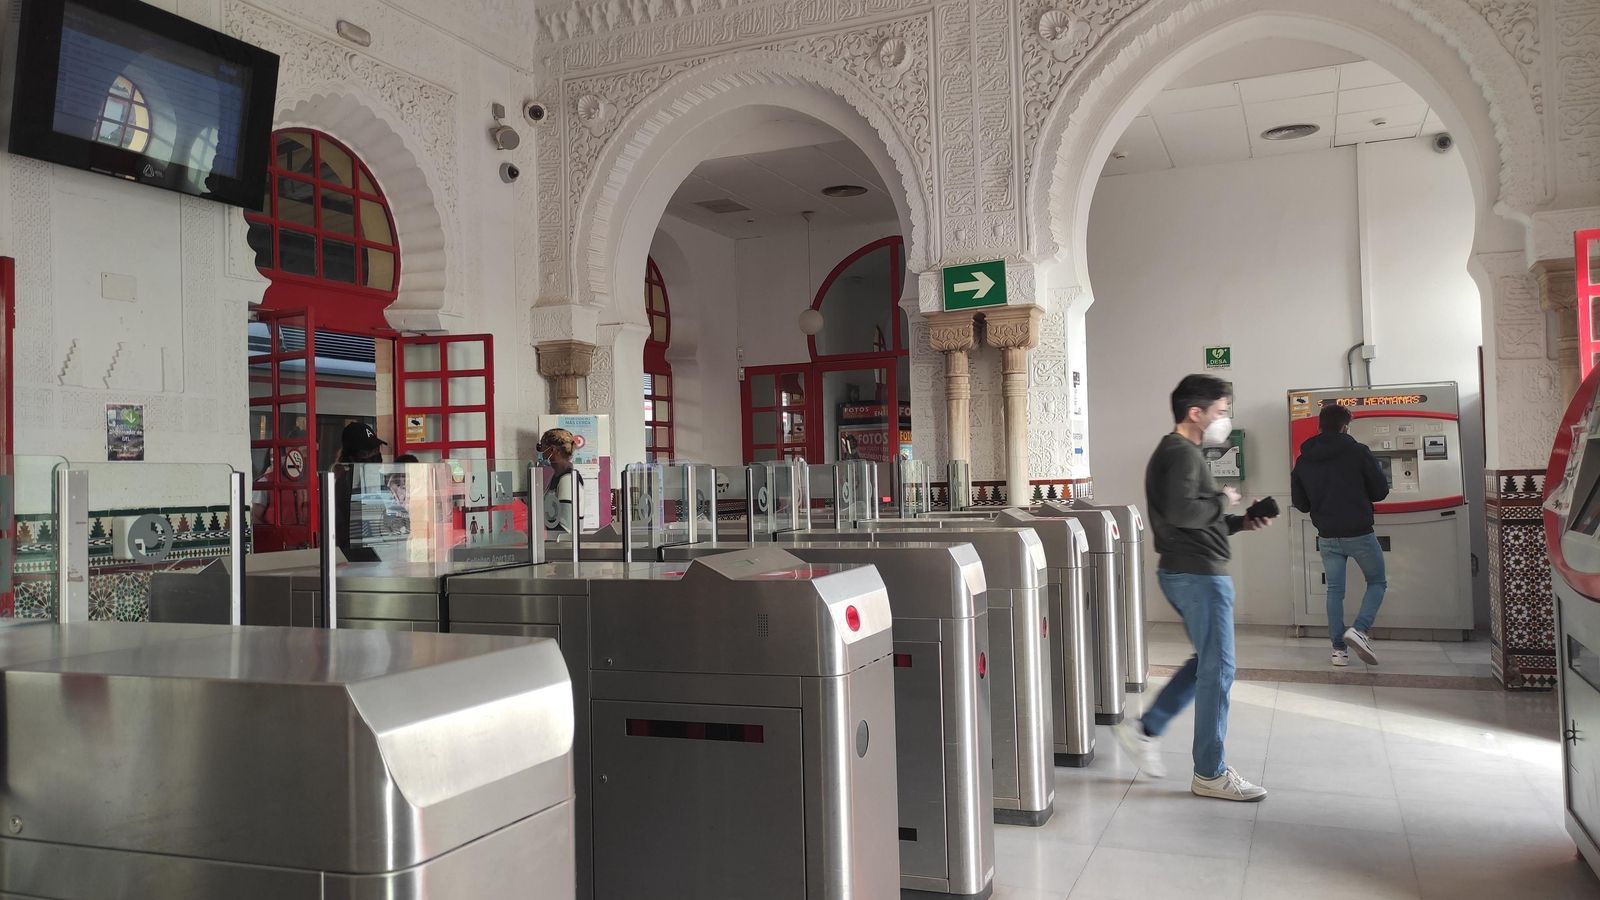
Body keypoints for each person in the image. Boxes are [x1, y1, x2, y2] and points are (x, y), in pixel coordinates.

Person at [1114, 374, 1275, 802]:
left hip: (1191, 568)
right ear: (1195, 413)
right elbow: (1187, 513)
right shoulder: (1181, 454)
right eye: (1222, 412)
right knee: (1219, 669)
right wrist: (1226, 499)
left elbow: (1194, 517)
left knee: (1206, 661)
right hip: (1199, 576)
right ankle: (1210, 772)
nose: (1225, 419)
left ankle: (1147, 728)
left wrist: (1240, 521)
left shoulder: (1180, 454)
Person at [1291, 403, 1390, 667]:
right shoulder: (1358, 452)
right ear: (1345, 426)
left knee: (1335, 591)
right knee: (1377, 582)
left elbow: (1300, 503)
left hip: (1327, 535)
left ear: (1319, 425)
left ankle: (1338, 651)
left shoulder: (1304, 459)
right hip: (1359, 532)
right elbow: (1380, 491)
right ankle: (1359, 630)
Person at [333, 421, 386, 562]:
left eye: (376, 450)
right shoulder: (342, 484)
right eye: (368, 452)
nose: (375, 456)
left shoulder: (380, 480)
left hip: (381, 554)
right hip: (354, 557)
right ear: (352, 458)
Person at [538, 428, 584, 534]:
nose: (540, 453)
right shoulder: (557, 476)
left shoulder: (567, 480)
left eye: (541, 447)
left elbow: (565, 527)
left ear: (553, 450)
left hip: (564, 545)